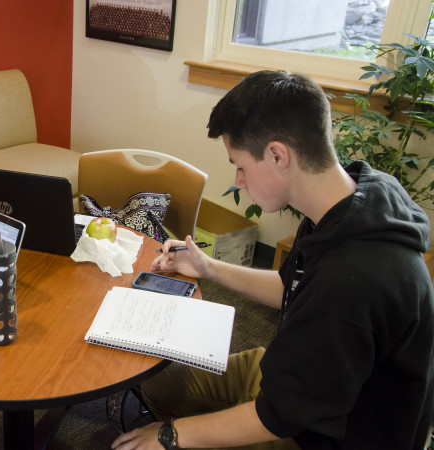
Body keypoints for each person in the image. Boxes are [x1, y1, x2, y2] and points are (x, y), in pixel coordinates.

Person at [112, 70, 434, 449]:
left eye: (241, 166)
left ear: (278, 154)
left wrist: (170, 435)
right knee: (158, 378)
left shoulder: (352, 279)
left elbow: (278, 416)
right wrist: (208, 268)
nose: (238, 180)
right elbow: (290, 286)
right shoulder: (348, 200)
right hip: (304, 374)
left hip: (329, 432)